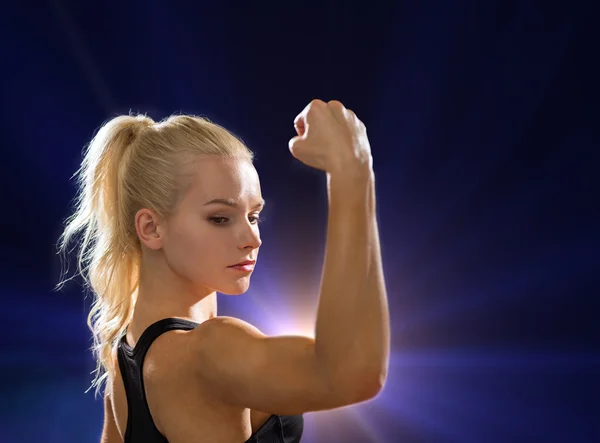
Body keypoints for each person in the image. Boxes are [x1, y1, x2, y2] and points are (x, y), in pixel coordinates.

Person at [55, 99, 390, 443]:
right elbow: (350, 374)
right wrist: (352, 168)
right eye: (220, 218)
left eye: (253, 216)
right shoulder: (208, 352)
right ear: (151, 228)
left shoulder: (123, 370)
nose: (252, 239)